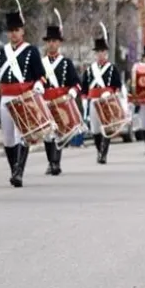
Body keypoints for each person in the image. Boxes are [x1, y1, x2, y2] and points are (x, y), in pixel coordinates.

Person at [0, 0, 46, 187]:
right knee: (8, 138)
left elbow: (41, 75)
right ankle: (14, 168)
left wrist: (38, 85)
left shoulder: (31, 51)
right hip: (5, 97)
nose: (14, 34)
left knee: (23, 135)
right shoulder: (0, 53)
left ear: (22, 31)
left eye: (17, 30)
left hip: (24, 98)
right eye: (11, 31)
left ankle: (19, 171)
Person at [40, 16, 81, 175]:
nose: (52, 44)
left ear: (59, 43)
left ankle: (56, 163)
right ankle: (51, 162)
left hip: (62, 102)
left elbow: (77, 83)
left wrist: (72, 93)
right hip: (45, 101)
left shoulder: (66, 63)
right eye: (49, 41)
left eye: (55, 41)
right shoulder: (41, 62)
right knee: (47, 135)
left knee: (59, 133)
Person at [80, 27, 123, 164]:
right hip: (94, 100)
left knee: (107, 127)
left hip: (107, 100)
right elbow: (85, 87)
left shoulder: (112, 68)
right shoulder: (89, 70)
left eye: (103, 51)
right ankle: (99, 150)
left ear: (106, 53)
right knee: (95, 129)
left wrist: (112, 95)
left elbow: (117, 85)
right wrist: (85, 99)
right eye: (98, 52)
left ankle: (103, 154)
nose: (100, 54)